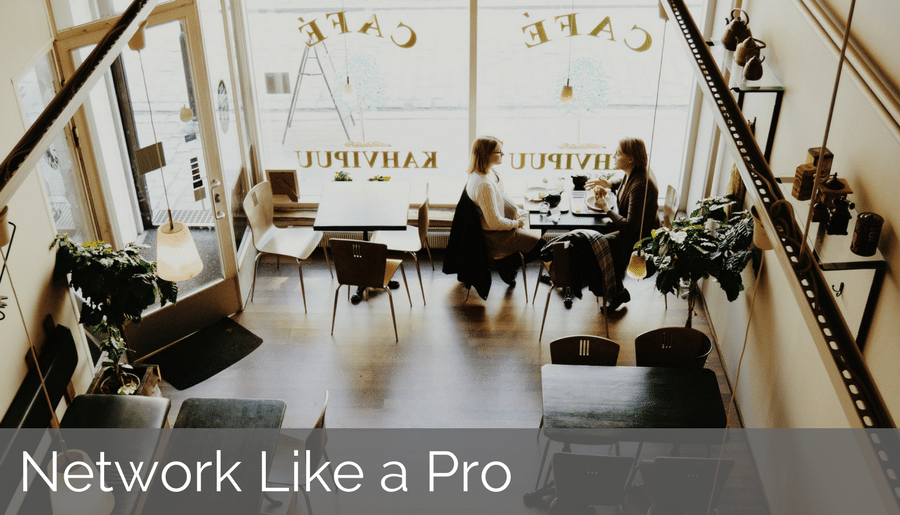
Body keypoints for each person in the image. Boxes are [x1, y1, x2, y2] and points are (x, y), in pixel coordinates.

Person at [588, 137, 660, 310]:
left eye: (618, 153)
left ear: (631, 159)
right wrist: (609, 183)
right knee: (595, 241)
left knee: (595, 248)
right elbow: (622, 182)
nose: (614, 155)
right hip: (634, 232)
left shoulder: (641, 184)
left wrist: (606, 207)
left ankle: (616, 292)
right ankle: (612, 287)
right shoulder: (635, 173)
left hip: (639, 239)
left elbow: (629, 226)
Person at [465, 136, 543, 285]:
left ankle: (509, 264)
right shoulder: (483, 185)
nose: (503, 154)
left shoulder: (489, 172)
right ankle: (508, 265)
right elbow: (494, 223)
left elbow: (501, 197)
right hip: (501, 236)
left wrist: (517, 213)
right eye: (499, 152)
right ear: (486, 155)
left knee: (540, 227)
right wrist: (515, 223)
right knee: (543, 248)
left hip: (509, 225)